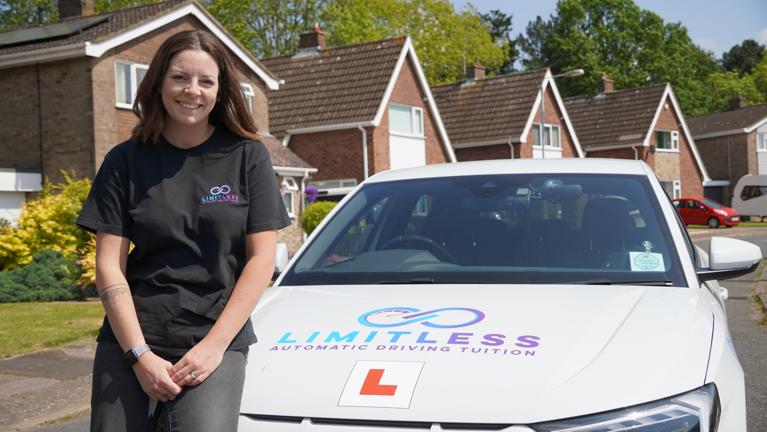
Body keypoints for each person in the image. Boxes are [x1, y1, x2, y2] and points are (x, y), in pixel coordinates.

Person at [76, 30, 290, 432]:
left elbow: (261, 260)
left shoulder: (248, 156)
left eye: (205, 81)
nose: (192, 90)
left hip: (215, 335)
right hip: (134, 335)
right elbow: (108, 264)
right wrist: (138, 355)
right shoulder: (125, 160)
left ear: (220, 90)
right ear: (158, 82)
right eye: (180, 77)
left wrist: (213, 348)